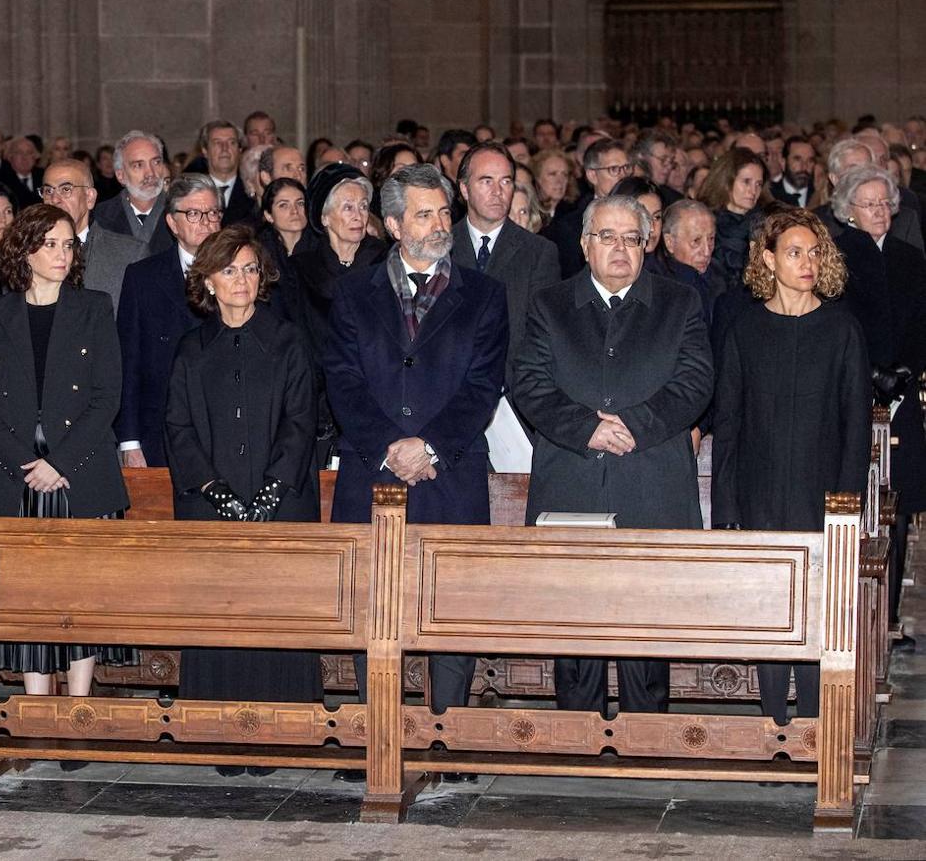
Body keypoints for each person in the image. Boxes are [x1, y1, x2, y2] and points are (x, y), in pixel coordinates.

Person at [325, 163, 507, 775]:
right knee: (372, 606)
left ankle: (444, 738)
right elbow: (344, 382)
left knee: (446, 607)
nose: (439, 225)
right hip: (370, 471)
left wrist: (427, 446)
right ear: (395, 223)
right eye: (424, 215)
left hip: (449, 472)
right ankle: (376, 735)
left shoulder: (483, 294)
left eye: (443, 213)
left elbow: (482, 386)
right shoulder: (353, 292)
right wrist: (388, 447)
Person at [513, 195, 712, 718]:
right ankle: (576, 737)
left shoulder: (679, 303)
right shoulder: (549, 304)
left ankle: (647, 735)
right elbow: (528, 383)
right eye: (607, 236)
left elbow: (695, 382)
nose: (619, 248)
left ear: (647, 245)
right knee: (573, 620)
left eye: (631, 238)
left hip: (651, 479)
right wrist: (586, 429)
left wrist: (635, 427)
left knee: (648, 620)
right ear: (584, 245)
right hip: (573, 477)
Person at [165, 225, 320, 777]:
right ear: (207, 280)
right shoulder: (191, 348)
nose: (241, 281)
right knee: (220, 620)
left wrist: (270, 492)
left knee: (276, 619)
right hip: (212, 509)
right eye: (229, 270)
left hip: (280, 506)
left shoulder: (288, 340)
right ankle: (219, 734)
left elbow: (303, 422)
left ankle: (281, 734)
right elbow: (178, 428)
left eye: (251, 269)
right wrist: (219, 494)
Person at [711, 208, 870, 723]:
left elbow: (856, 426)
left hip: (822, 495)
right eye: (795, 252)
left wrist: (847, 506)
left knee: (821, 618)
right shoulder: (745, 330)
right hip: (759, 496)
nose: (806, 262)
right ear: (768, 258)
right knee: (772, 615)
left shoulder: (841, 329)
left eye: (814, 251)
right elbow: (728, 426)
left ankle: (815, 733)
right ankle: (774, 725)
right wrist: (727, 510)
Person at [0, 203, 131, 705]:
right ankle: (37, 712)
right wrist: (26, 461)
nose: (62, 254)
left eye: (68, 244)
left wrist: (59, 463)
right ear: (25, 250)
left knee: (79, 594)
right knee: (28, 597)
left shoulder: (94, 306)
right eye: (51, 244)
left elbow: (108, 395)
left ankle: (79, 709)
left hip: (78, 470)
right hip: (17, 473)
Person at [831, 164, 926, 651]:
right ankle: (850, 614)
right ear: (848, 209)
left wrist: (908, 370)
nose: (879, 212)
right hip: (854, 392)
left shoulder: (911, 257)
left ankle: (888, 620)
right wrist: (871, 374)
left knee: (901, 502)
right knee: (858, 500)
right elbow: (837, 320)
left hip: (904, 393)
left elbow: (921, 321)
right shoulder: (838, 254)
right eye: (868, 204)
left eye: (885, 203)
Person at [283, 163, 386, 467]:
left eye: (363, 206)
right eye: (348, 207)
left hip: (375, 398)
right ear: (325, 218)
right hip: (313, 402)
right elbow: (293, 334)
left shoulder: (385, 264)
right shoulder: (300, 269)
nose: (358, 215)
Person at [116, 175, 221, 468]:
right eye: (194, 214)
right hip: (161, 428)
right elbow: (129, 361)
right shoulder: (143, 277)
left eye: (213, 213)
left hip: (226, 428)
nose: (206, 221)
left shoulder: (241, 274)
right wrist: (130, 440)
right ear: (173, 224)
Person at [450, 143, 559, 392]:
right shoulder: (441, 247)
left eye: (506, 181)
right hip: (448, 392)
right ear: (464, 189)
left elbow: (539, 335)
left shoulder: (538, 252)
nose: (498, 191)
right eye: (486, 181)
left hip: (513, 392)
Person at [41, 158, 146, 316]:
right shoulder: (29, 252)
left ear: (89, 197)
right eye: (48, 191)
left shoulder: (130, 254)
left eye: (66, 189)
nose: (55, 199)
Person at [544, 138, 632, 279]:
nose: (623, 176)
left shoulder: (644, 213)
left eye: (626, 168)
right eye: (614, 169)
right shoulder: (570, 226)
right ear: (592, 175)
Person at [696, 147, 769, 287]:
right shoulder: (703, 221)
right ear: (726, 181)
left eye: (758, 184)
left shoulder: (766, 224)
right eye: (746, 181)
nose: (753, 191)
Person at [92, 130, 174, 254]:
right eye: (138, 165)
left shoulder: (181, 212)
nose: (150, 173)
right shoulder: (100, 217)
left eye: (156, 162)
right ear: (121, 175)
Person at [198, 120, 255, 225]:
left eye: (231, 142)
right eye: (217, 143)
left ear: (240, 149)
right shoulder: (193, 192)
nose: (225, 148)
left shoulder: (254, 193)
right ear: (205, 150)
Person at [256, 176, 309, 275]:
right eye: (284, 205)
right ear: (268, 215)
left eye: (300, 203)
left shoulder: (323, 248)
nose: (295, 211)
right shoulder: (259, 252)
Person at [0, 135, 45, 210]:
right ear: (10, 156)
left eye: (29, 153)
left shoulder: (43, 176)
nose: (24, 157)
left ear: (35, 156)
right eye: (19, 152)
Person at [531, 148, 574, 220]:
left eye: (564, 174)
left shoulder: (575, 215)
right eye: (553, 174)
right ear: (537, 178)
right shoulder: (529, 212)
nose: (560, 181)